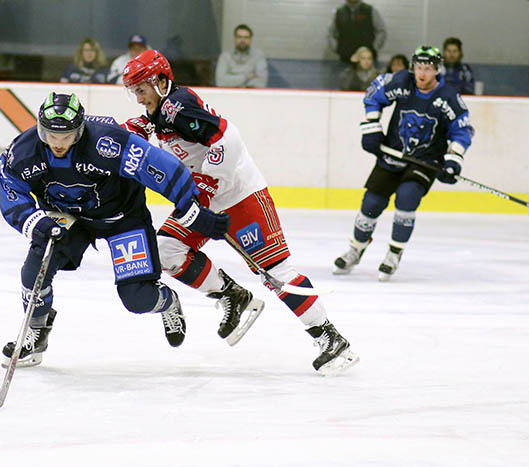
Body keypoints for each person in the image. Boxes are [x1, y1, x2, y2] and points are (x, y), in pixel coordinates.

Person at [121, 50, 359, 374]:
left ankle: (329, 337)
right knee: (165, 250)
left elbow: (226, 138)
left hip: (239, 196)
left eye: (141, 90)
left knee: (277, 272)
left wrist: (208, 184)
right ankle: (232, 294)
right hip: (205, 199)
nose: (138, 98)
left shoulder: (178, 107)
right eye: (134, 91)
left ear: (161, 81)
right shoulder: (163, 111)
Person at [0, 92, 230, 367]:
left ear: (80, 130)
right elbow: (10, 189)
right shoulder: (24, 151)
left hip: (122, 218)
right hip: (69, 218)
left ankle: (168, 302)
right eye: (51, 135)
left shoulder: (106, 142)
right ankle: (36, 333)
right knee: (34, 270)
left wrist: (193, 211)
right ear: (40, 129)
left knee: (138, 299)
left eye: (67, 136)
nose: (58, 144)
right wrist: (37, 223)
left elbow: (159, 167)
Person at [333, 46, 474, 280]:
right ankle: (356, 249)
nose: (422, 73)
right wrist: (371, 126)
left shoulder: (448, 97)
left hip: (425, 161)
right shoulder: (403, 82)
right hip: (392, 154)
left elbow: (462, 130)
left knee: (407, 198)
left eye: (428, 68)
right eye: (418, 67)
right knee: (371, 203)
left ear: (437, 70)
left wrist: (453, 159)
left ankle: (394, 254)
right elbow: (373, 96)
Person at [329, 0, 386, 65]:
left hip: (366, 58)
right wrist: (337, 49)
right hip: (345, 58)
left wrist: (373, 48)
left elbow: (381, 31)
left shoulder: (370, 10)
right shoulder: (338, 12)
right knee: (345, 75)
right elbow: (331, 34)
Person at [215, 24, 268, 88]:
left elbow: (261, 83)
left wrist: (232, 81)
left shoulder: (258, 56)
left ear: (250, 39)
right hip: (229, 95)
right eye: (239, 37)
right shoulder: (225, 56)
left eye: (246, 37)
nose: (242, 40)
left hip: (250, 96)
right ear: (235, 38)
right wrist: (246, 77)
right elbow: (220, 82)